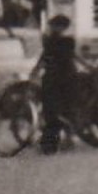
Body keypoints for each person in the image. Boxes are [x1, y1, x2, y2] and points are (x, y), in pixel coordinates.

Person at [36, 15, 80, 154]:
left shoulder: (53, 40)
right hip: (65, 77)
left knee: (53, 111)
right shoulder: (66, 41)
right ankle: (65, 139)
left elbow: (46, 57)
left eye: (55, 25)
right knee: (63, 110)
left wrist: (36, 71)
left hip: (57, 78)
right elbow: (47, 57)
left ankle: (52, 143)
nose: (53, 28)